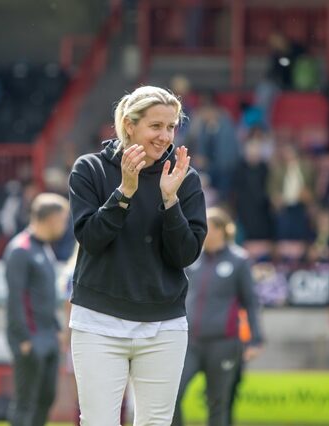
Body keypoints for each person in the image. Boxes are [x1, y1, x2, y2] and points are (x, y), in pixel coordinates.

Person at [68, 85, 208, 425]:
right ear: (129, 125)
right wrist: (124, 193)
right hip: (98, 321)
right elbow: (91, 238)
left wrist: (170, 201)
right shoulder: (90, 169)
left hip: (164, 324)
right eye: (155, 126)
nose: (165, 136)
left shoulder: (183, 178)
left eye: (171, 126)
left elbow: (185, 254)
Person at [172, 207, 263, 426]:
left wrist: (255, 339)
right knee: (172, 394)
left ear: (222, 230)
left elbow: (250, 302)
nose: (204, 232)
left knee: (218, 403)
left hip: (224, 343)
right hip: (191, 342)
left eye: (209, 228)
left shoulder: (238, 261)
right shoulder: (193, 259)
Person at [3, 193, 70, 426]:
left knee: (46, 399)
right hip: (30, 337)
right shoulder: (20, 249)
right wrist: (23, 338)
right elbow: (15, 297)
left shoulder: (45, 249)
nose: (64, 226)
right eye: (62, 220)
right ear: (51, 218)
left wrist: (57, 329)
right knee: (25, 402)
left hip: (48, 336)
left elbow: (46, 297)